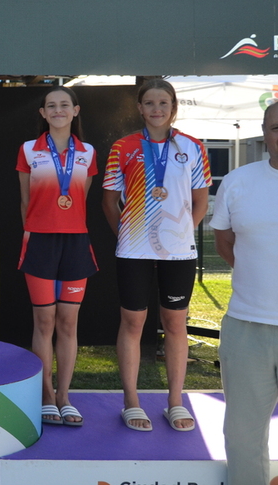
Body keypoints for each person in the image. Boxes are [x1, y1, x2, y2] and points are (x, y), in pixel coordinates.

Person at [102, 78, 210, 431]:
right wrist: (128, 236)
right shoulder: (123, 147)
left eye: (163, 103)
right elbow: (108, 200)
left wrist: (181, 234)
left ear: (173, 107)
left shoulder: (194, 147)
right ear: (139, 108)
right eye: (149, 103)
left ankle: (175, 401)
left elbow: (200, 201)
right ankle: (131, 401)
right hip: (133, 249)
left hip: (178, 252)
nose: (156, 109)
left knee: (175, 323)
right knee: (133, 323)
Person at [16, 86, 98, 427]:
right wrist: (37, 230)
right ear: (43, 113)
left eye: (65, 105)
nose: (58, 110)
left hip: (76, 244)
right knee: (44, 322)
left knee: (67, 322)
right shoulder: (28, 150)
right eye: (52, 105)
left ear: (75, 111)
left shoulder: (89, 152)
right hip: (40, 243)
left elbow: (82, 199)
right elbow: (25, 201)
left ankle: (65, 395)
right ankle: (46, 394)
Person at [211, 102, 278, 485]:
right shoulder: (238, 181)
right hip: (246, 328)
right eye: (275, 127)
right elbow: (224, 243)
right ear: (264, 133)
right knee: (243, 439)